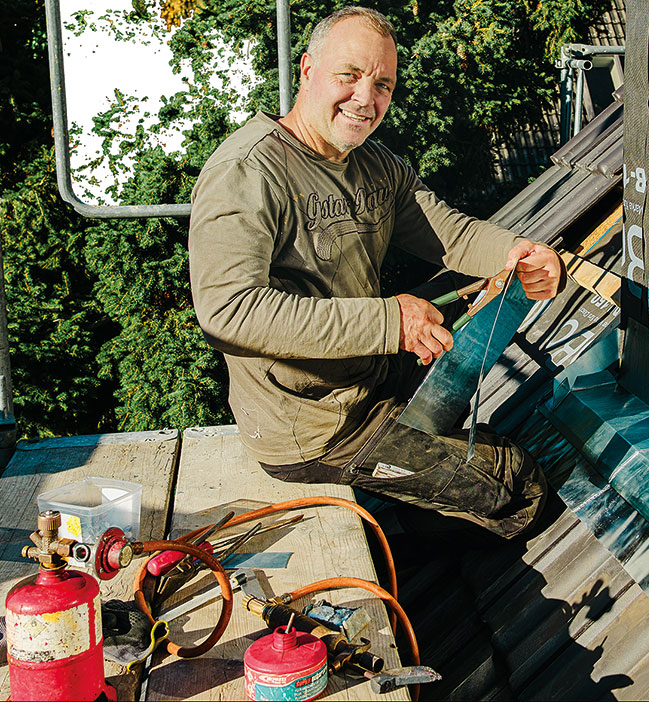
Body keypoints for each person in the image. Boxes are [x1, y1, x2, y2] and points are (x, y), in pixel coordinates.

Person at [188, 6, 563, 538]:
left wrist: (522, 252)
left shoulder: (375, 165)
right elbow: (229, 313)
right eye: (349, 75)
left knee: (467, 352)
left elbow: (451, 236)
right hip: (316, 426)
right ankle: (404, 547)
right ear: (307, 70)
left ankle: (407, 506)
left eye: (382, 83)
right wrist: (392, 323)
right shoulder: (247, 171)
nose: (366, 98)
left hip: (374, 380)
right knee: (517, 488)